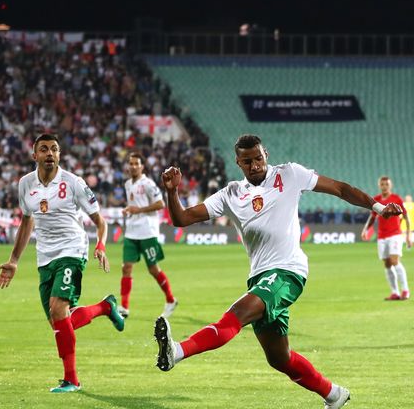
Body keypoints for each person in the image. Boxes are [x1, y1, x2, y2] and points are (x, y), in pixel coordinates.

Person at [153, 134, 401, 409]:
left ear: (266, 154)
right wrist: (172, 191)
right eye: (247, 161)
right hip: (260, 277)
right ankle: (334, 394)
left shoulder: (290, 174)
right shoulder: (231, 193)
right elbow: (181, 219)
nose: (254, 165)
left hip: (288, 271)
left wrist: (378, 208)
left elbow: (340, 189)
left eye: (258, 158)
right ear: (238, 162)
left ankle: (176, 351)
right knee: (279, 358)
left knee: (236, 315)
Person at [0, 134, 125, 393]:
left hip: (73, 250)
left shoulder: (74, 183)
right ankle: (105, 307)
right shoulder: (25, 184)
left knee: (57, 310)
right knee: (60, 324)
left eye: (54, 149)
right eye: (44, 149)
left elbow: (101, 221)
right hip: (45, 257)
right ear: (35, 156)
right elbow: (27, 221)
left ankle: (72, 380)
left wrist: (100, 244)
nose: (50, 153)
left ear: (60, 154)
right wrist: (14, 261)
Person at [119, 152, 178, 319]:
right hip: (131, 231)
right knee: (126, 268)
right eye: (131, 163)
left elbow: (160, 204)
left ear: (142, 166)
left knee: (153, 269)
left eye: (136, 163)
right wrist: (129, 209)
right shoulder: (127, 184)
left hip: (147, 231)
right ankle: (124, 307)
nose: (133, 166)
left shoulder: (148, 184)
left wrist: (139, 210)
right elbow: (135, 204)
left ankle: (170, 299)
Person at [361, 177, 412, 300]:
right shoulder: (377, 199)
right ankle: (395, 292)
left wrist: (408, 235)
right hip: (381, 236)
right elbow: (372, 216)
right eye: (382, 184)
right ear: (379, 185)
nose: (384, 186)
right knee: (387, 264)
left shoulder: (396, 199)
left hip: (395, 235)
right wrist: (365, 229)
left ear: (390, 185)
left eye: (386, 184)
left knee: (395, 261)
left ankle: (405, 290)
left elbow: (405, 217)